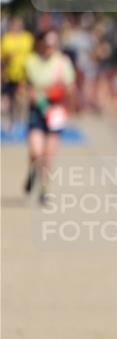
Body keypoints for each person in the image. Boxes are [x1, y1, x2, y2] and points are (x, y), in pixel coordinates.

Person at [24, 29, 76, 205]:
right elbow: (30, 89)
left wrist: (65, 95)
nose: (50, 48)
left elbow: (70, 88)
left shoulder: (62, 62)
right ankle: (32, 171)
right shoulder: (31, 61)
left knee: (48, 155)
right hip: (38, 111)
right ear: (40, 44)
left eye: (53, 44)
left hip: (56, 112)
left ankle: (44, 190)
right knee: (36, 152)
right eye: (47, 44)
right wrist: (42, 100)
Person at [1, 15, 36, 130]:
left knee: (21, 99)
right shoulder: (6, 38)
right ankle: (12, 122)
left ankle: (22, 121)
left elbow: (34, 53)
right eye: (14, 24)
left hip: (25, 74)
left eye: (18, 24)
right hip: (11, 74)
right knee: (11, 99)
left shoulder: (28, 37)